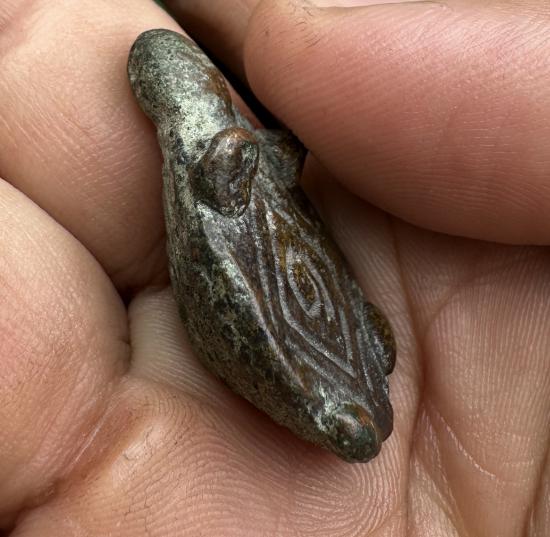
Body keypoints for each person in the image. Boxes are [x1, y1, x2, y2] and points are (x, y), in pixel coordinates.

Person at [0, 0, 548, 535]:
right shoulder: (218, 158)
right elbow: (232, 179)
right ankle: (343, 408)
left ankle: (347, 397)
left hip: (280, 278)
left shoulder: (229, 152)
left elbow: (265, 171)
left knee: (364, 344)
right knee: (356, 350)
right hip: (262, 277)